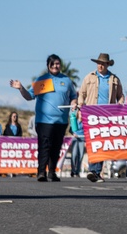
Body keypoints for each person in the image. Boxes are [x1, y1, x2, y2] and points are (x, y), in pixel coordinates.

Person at [9, 54, 78, 182]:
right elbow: (29, 96)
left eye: (58, 63)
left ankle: (52, 172)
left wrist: (74, 102)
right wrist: (20, 88)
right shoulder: (43, 80)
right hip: (44, 121)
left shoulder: (66, 80)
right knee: (44, 146)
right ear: (48, 65)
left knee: (56, 147)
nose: (56, 66)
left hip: (61, 121)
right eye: (53, 64)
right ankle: (41, 172)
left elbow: (74, 96)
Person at [77, 53, 124, 183]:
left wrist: (120, 104)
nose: (100, 65)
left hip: (107, 116)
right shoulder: (89, 77)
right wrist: (81, 105)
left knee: (102, 144)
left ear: (108, 65)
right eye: (98, 63)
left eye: (103, 63)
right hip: (92, 115)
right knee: (93, 143)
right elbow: (82, 93)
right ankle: (93, 171)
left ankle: (97, 172)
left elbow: (121, 96)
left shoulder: (114, 79)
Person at [68, 107, 85, 177]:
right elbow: (70, 130)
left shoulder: (85, 121)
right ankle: (73, 170)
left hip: (82, 139)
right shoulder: (74, 120)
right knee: (74, 155)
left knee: (80, 155)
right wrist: (73, 134)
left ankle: (77, 171)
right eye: (79, 112)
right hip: (75, 138)